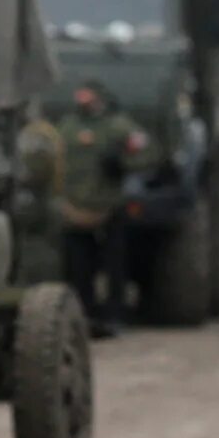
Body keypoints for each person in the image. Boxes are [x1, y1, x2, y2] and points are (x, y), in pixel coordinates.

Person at [51, 85, 145, 338]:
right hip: (74, 210)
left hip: (109, 209)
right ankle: (85, 318)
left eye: (89, 95)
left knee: (115, 267)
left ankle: (115, 316)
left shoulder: (118, 126)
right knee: (79, 268)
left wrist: (123, 163)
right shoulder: (65, 128)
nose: (84, 100)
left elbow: (147, 152)